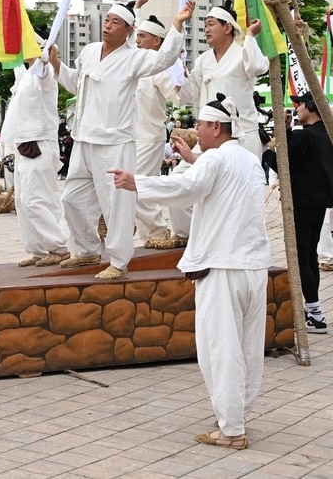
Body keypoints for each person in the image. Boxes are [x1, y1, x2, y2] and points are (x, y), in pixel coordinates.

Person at [109, 93, 269, 451]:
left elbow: (187, 187)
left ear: (217, 128)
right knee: (246, 347)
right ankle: (236, 415)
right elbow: (213, 180)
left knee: (220, 348)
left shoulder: (214, 160)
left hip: (223, 265)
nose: (196, 130)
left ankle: (231, 429)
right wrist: (194, 159)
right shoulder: (249, 159)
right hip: (253, 266)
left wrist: (137, 183)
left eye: (200, 124)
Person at [52, 0, 191, 280]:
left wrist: (177, 25)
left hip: (115, 143)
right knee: (72, 199)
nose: (107, 25)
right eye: (107, 20)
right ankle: (87, 250)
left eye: (116, 22)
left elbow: (164, 59)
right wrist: (56, 66)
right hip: (83, 139)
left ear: (128, 30)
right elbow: (77, 85)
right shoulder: (89, 51)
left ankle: (118, 262)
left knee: (116, 205)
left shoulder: (135, 58)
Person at [0, 50, 69, 267]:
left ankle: (58, 247)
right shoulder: (26, 76)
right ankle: (38, 250)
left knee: (35, 199)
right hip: (23, 144)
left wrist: (45, 57)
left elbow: (43, 72)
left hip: (39, 142)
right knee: (22, 200)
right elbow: (17, 66)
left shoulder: (43, 72)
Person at [182, 6, 268, 158]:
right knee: (184, 171)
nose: (206, 30)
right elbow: (189, 94)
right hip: (210, 136)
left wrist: (249, 35)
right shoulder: (203, 60)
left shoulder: (243, 53)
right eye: (205, 26)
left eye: (211, 24)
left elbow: (258, 67)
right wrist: (178, 73)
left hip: (242, 135)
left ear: (228, 27)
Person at [132, 14, 185, 249]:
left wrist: (179, 70)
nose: (137, 41)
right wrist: (137, 8)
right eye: (137, 36)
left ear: (157, 41)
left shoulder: (158, 66)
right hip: (127, 137)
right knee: (127, 186)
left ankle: (158, 231)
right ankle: (149, 236)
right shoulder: (133, 62)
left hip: (149, 136)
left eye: (142, 36)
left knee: (137, 185)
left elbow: (177, 95)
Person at [283, 92, 333, 333]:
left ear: (312, 106)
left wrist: (265, 150)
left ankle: (315, 315)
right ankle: (312, 309)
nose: (297, 108)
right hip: (318, 202)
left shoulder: (307, 136)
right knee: (309, 255)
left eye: (300, 104)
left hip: (303, 202)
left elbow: (283, 164)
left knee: (301, 256)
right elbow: (295, 155)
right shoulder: (324, 134)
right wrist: (286, 132)